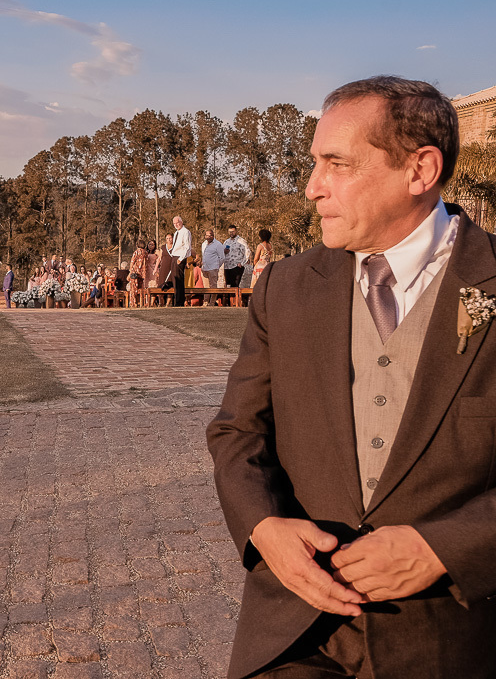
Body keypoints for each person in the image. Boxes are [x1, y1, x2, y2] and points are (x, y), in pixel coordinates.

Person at [207, 76, 496, 679]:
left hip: (457, 637)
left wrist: (444, 548)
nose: (312, 187)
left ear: (419, 170)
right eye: (315, 164)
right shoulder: (284, 288)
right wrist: (263, 527)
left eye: (336, 164)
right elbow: (237, 432)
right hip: (297, 633)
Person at [170, 215, 192, 308]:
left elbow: (187, 247)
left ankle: (179, 301)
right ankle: (176, 300)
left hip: (180, 257)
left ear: (181, 222)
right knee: (175, 279)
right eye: (174, 223)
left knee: (179, 279)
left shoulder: (185, 232)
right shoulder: (176, 233)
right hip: (174, 256)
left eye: (177, 223)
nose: (176, 225)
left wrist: (181, 258)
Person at [202, 229, 226, 305]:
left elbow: (222, 257)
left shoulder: (218, 244)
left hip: (213, 268)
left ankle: (212, 302)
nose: (208, 237)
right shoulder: (204, 244)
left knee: (213, 286)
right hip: (204, 268)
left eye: (210, 235)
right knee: (206, 286)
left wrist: (216, 266)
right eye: (207, 235)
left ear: (213, 235)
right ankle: (205, 302)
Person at [223, 224, 250, 290]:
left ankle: (236, 297)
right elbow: (221, 253)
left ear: (236, 231)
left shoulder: (241, 241)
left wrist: (242, 263)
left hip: (236, 266)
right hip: (227, 266)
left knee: (235, 286)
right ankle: (229, 297)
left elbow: (247, 252)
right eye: (230, 232)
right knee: (228, 286)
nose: (231, 233)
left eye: (233, 231)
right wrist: (224, 251)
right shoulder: (226, 241)